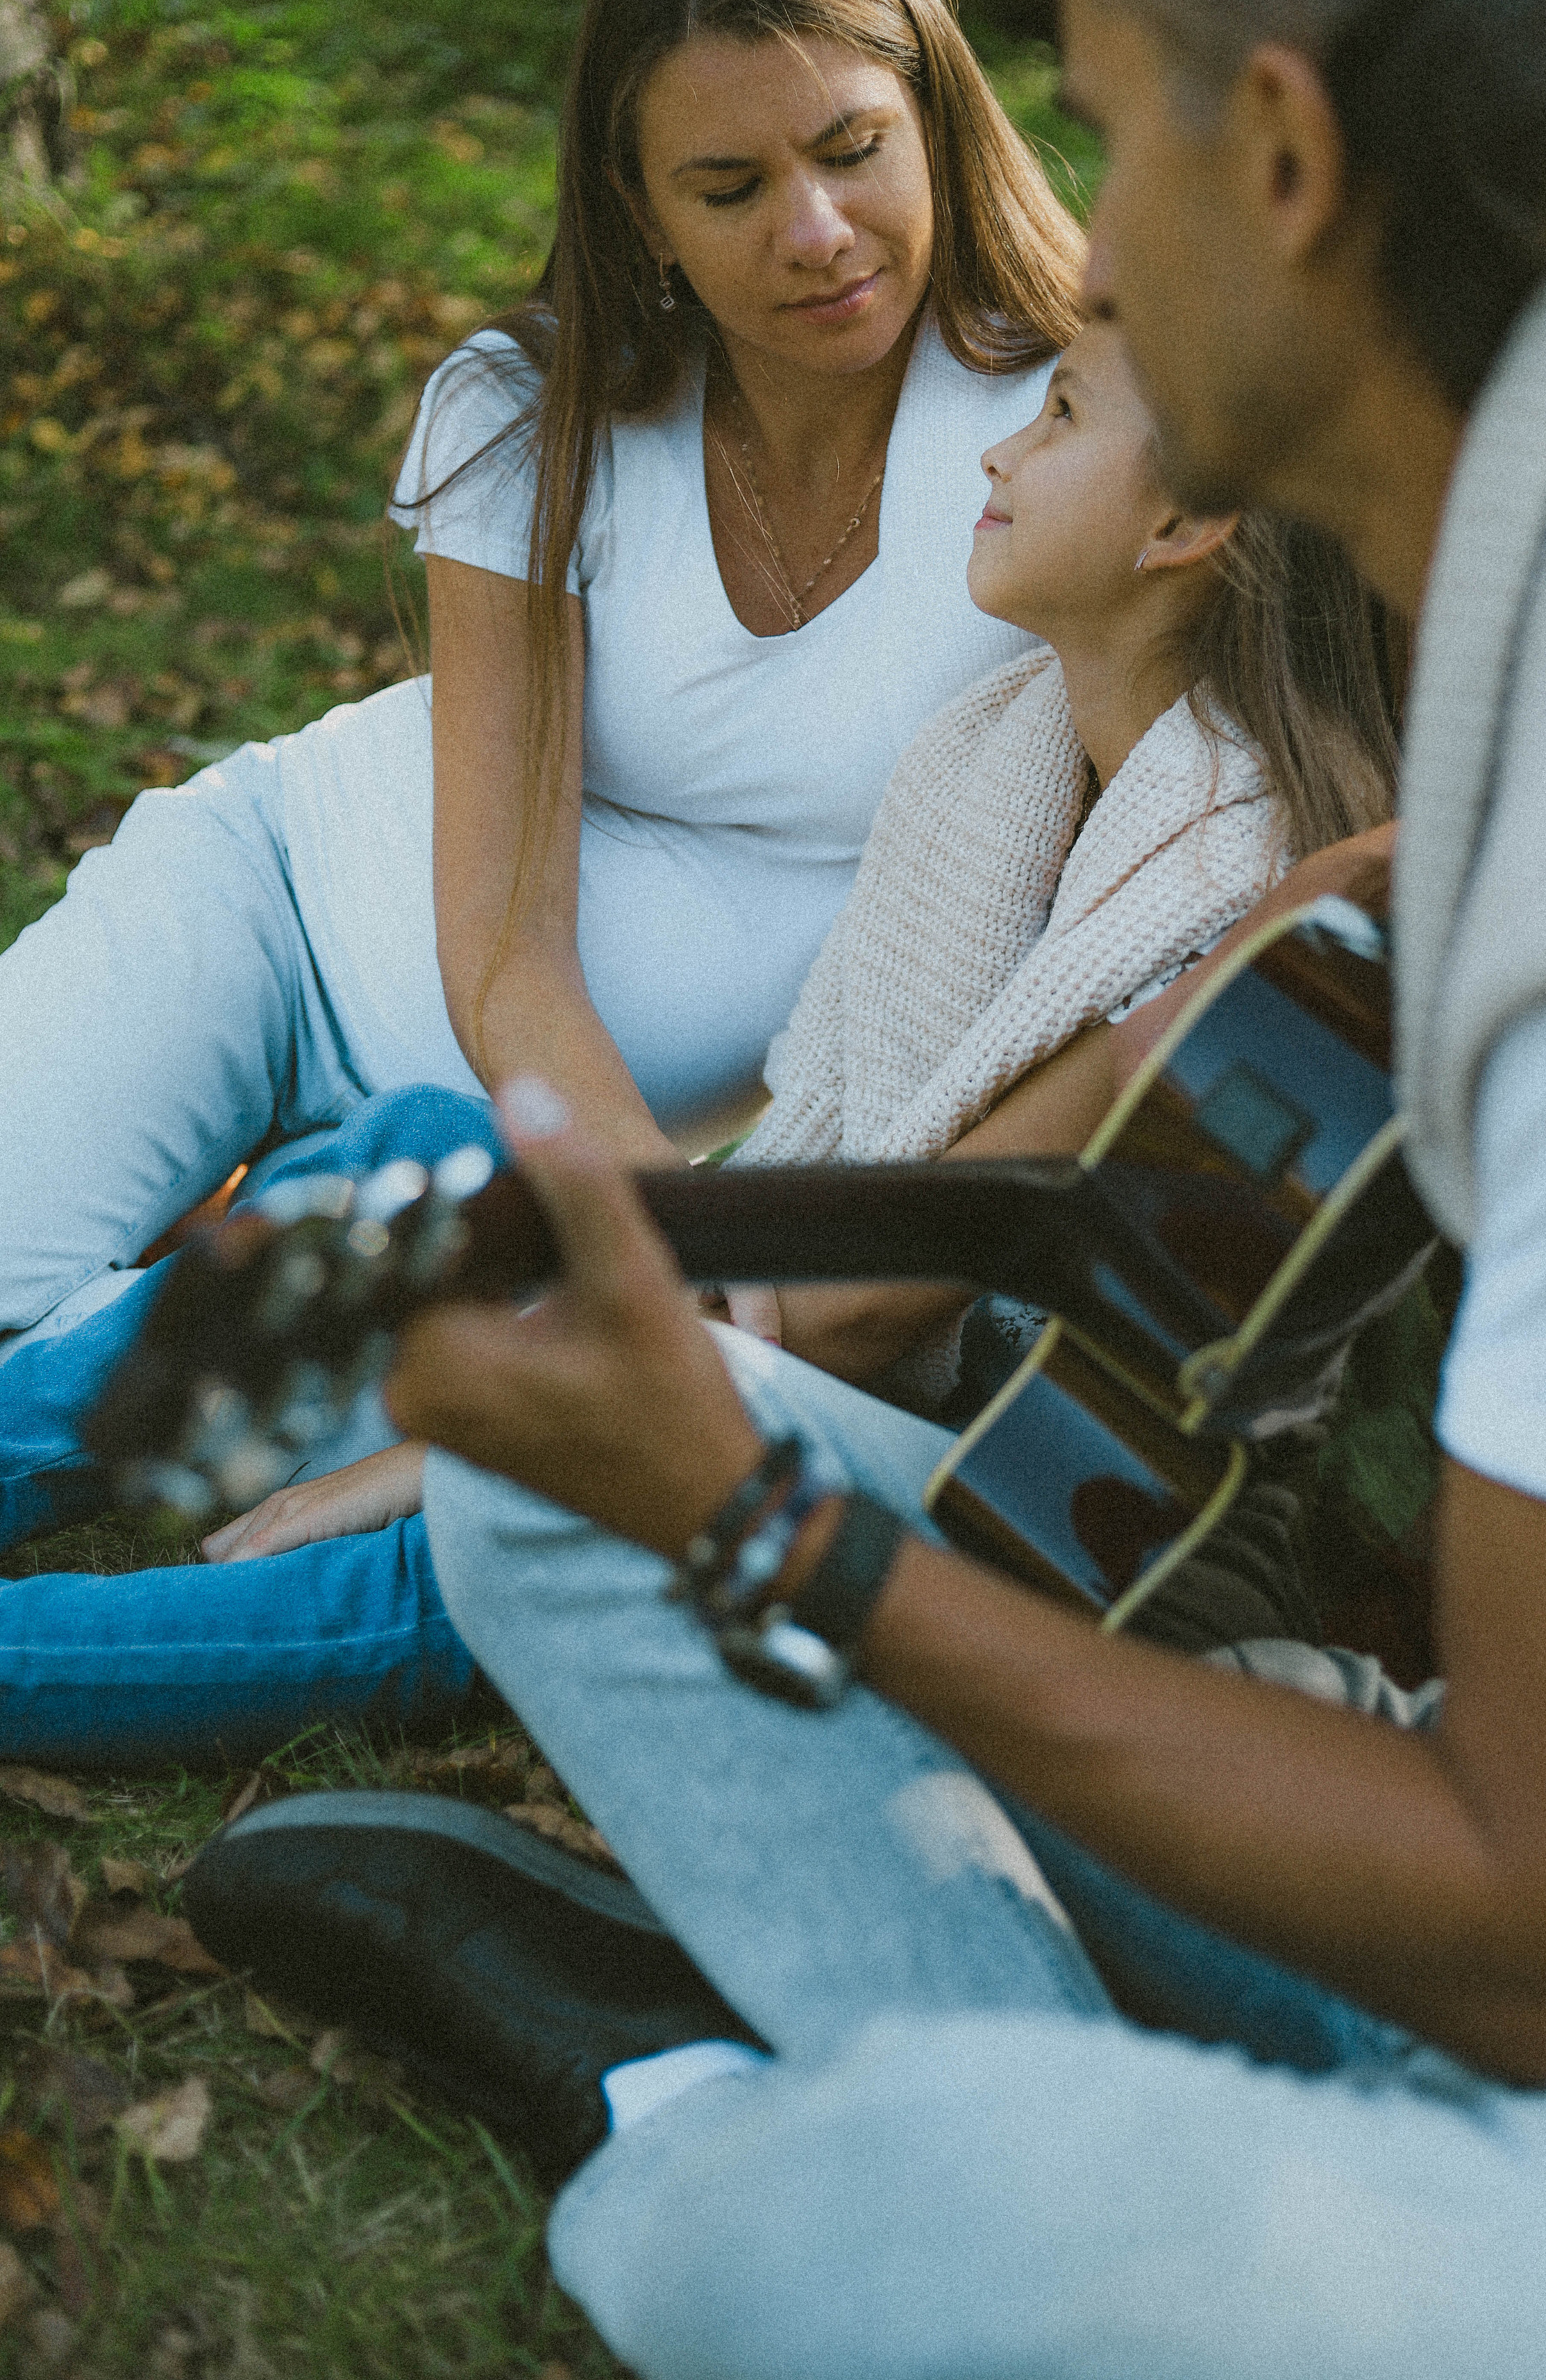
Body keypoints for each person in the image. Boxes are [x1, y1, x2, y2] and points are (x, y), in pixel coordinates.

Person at [183, 0, 1546, 2380]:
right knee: (535, 1492)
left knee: (878, 2243)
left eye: (1116, 132)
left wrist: (777, 1528)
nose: (1076, 246)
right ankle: (1073, 2103)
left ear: (1278, 152)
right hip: (1469, 1813)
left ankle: (689, 2100)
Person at [0, 318, 1392, 1761]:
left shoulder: (1222, 894)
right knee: (419, 1159)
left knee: (519, 1528)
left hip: (968, 1478)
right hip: (799, 1349)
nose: (996, 445)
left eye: (1054, 418)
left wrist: (469, 1444)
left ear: (1184, 519)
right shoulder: (1000, 755)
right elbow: (810, 1176)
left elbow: (875, 1316)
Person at [0, 0, 1079, 1439]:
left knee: (290, 1400)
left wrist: (684, 1249)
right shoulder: (533, 414)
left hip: (546, 1150)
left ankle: (252, 1246)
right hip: (277, 917)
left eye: (854, 150)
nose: (815, 232)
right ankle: (237, 1251)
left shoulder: (1059, 429)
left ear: (934, 116)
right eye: (727, 188)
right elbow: (507, 955)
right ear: (639, 210)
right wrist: (677, 1259)